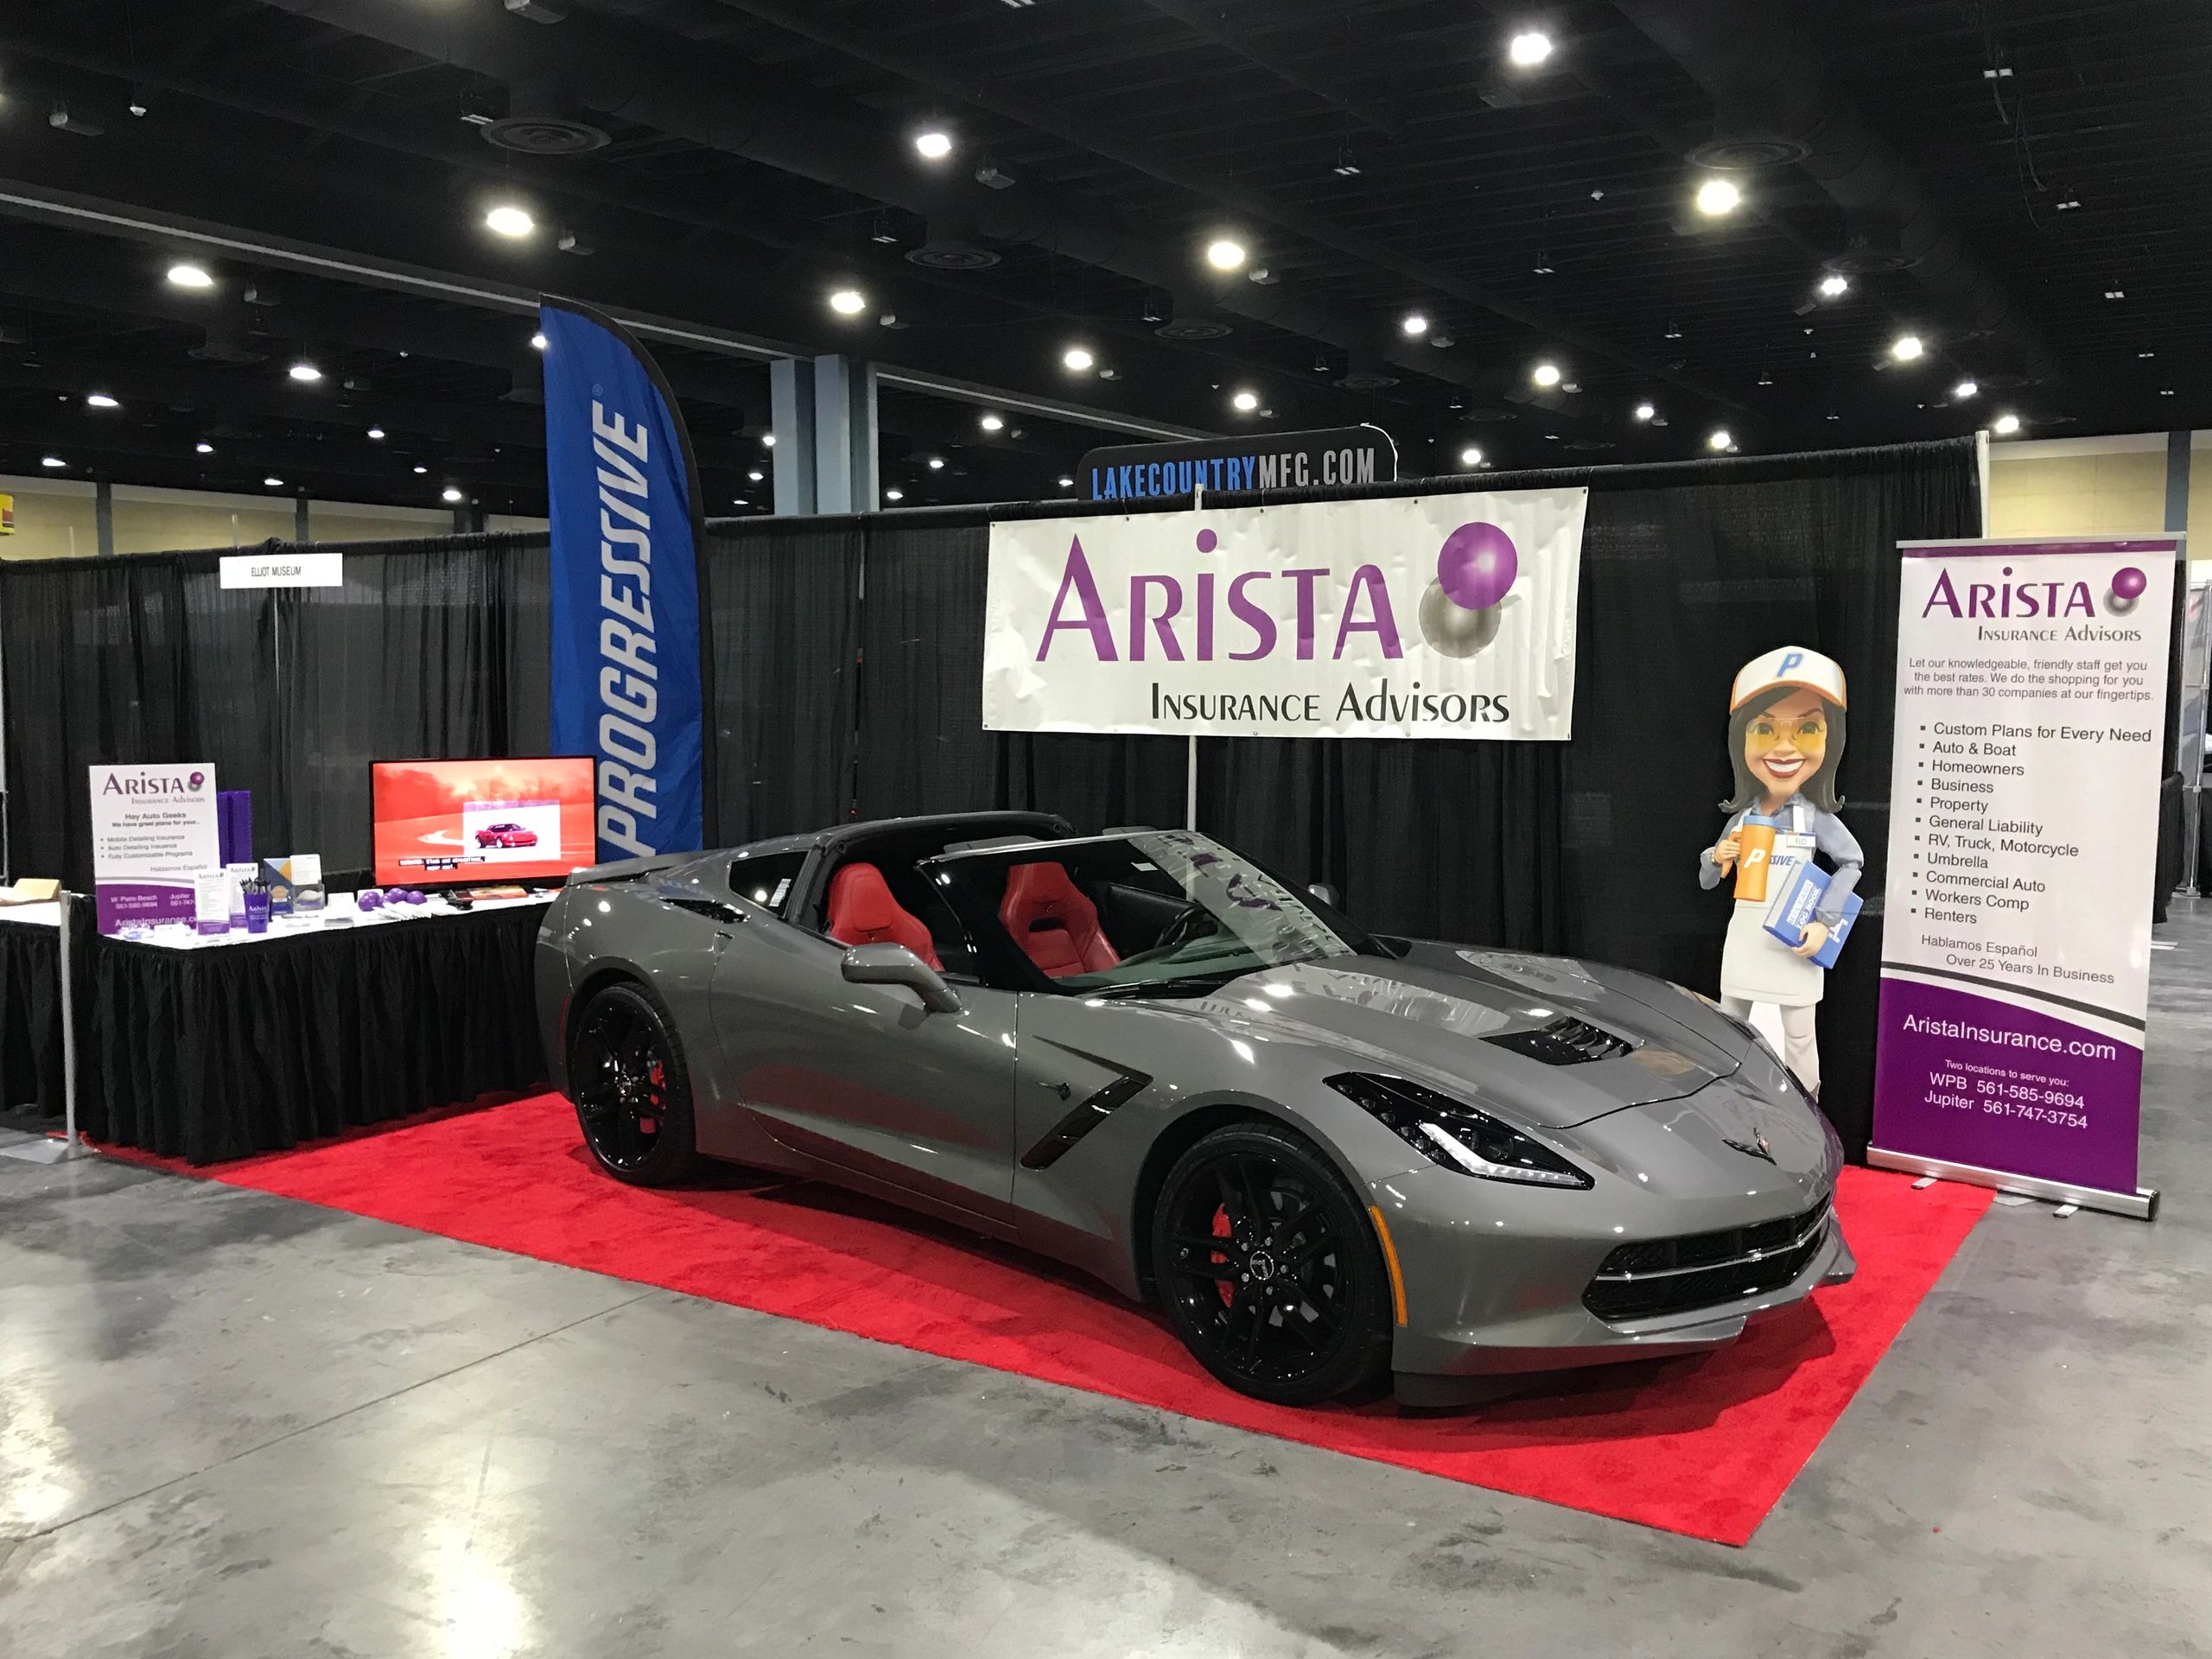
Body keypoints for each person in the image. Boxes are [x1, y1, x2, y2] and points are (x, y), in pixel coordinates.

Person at [1699, 647, 1861, 1100]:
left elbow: (1852, 862)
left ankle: (1808, 1116)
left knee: (1799, 1037)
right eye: (1765, 729)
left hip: (1795, 944)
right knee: (1729, 1027)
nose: (1784, 747)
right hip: (1746, 938)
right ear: (1741, 739)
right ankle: (1729, 1108)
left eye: (1807, 729)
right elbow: (1708, 879)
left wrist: (1823, 922)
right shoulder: (1744, 816)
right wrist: (1717, 856)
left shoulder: (1815, 818)